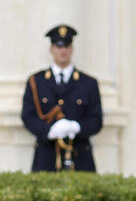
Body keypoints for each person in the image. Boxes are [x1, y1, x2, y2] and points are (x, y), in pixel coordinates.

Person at [21, 24, 103, 172]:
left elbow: (96, 120)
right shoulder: (36, 81)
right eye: (58, 46)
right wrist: (49, 130)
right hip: (46, 157)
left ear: (71, 49)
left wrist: (77, 127)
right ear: (51, 49)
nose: (63, 50)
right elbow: (28, 116)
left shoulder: (89, 83)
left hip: (80, 158)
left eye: (66, 46)